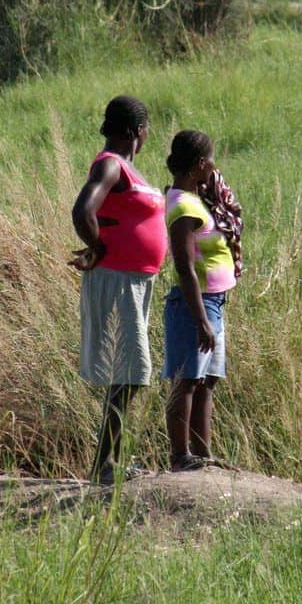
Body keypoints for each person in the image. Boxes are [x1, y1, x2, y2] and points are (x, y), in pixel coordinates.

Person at [69, 96, 167, 484]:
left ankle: (108, 463)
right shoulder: (111, 164)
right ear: (135, 131)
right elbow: (83, 211)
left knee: (126, 372)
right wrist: (98, 246)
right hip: (119, 280)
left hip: (136, 280)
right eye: (145, 130)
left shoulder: (127, 167)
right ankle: (104, 466)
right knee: (131, 372)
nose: (146, 136)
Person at [161, 130, 243, 472]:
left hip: (213, 303)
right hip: (194, 305)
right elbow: (184, 267)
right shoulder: (182, 206)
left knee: (207, 381)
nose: (214, 167)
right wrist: (200, 320)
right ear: (198, 164)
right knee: (188, 380)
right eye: (210, 161)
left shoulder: (194, 198)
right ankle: (181, 456)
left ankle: (202, 455)